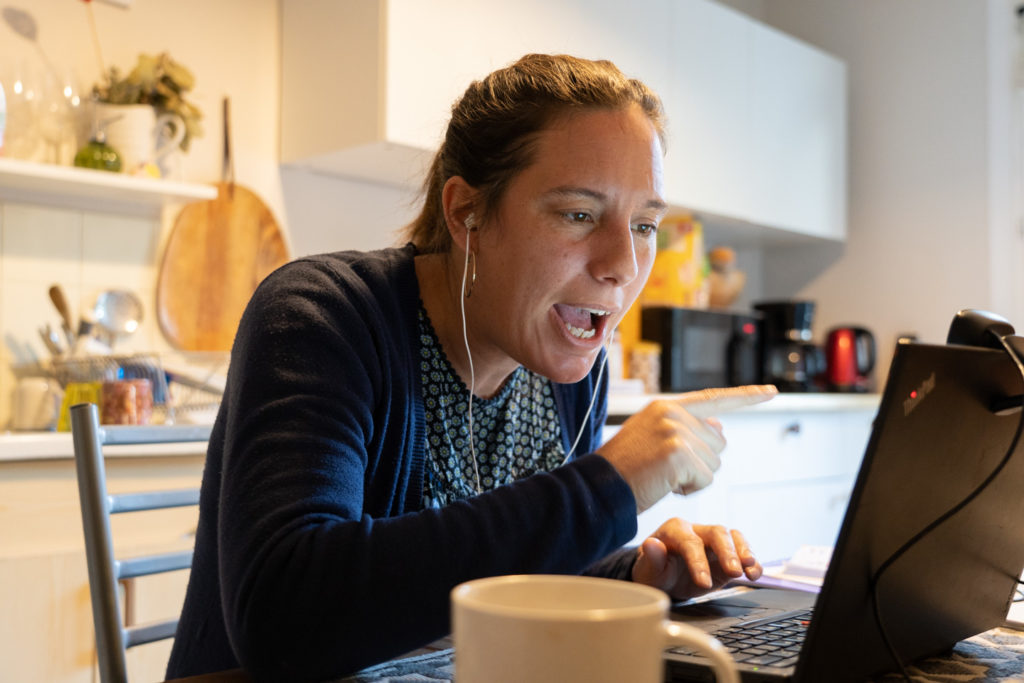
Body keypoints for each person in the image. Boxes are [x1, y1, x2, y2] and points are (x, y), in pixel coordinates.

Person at [166, 53, 776, 681]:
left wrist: (635, 574)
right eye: (579, 214)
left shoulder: (565, 357)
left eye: (644, 223)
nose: (622, 263)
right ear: (467, 214)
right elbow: (286, 621)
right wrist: (607, 485)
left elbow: (509, 577)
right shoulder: (323, 315)